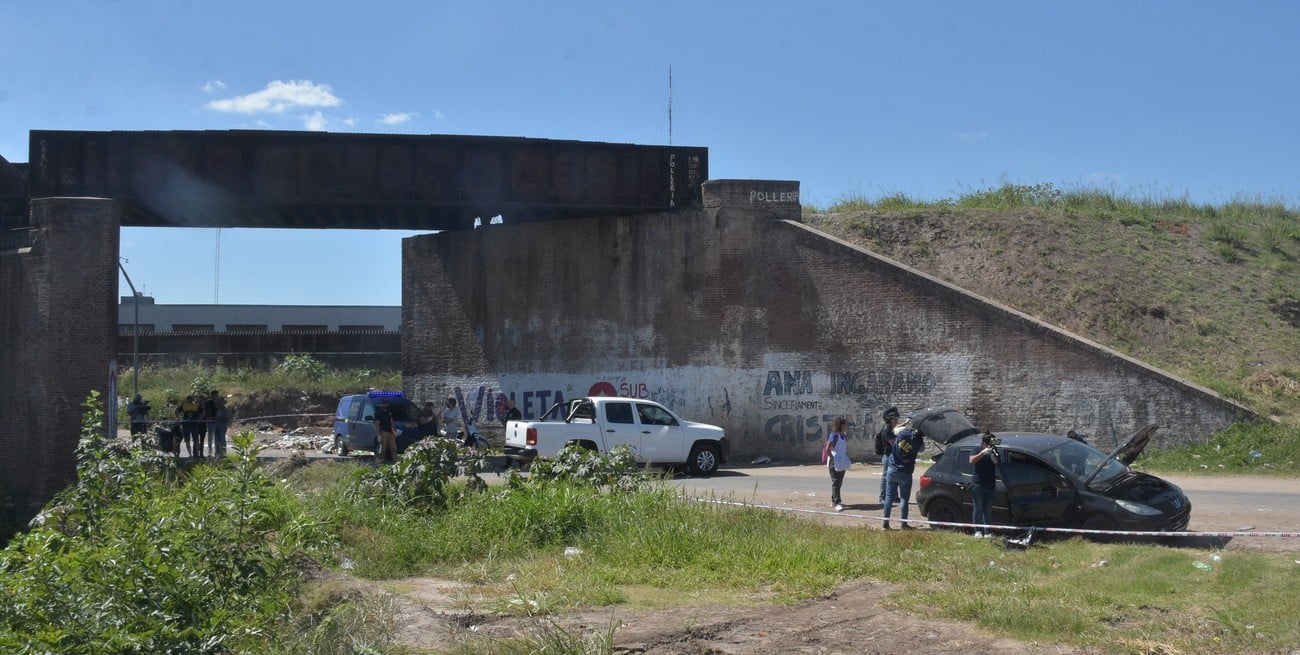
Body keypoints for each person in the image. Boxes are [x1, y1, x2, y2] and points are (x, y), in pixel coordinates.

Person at [882, 415, 925, 530]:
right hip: (906, 471)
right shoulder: (918, 440)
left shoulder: (903, 433)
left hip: (892, 469)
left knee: (889, 498)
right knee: (904, 499)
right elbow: (922, 449)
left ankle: (885, 524)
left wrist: (906, 423)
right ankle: (903, 525)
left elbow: (894, 430)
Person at [968, 432, 999, 538]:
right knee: (978, 508)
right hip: (978, 484)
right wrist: (983, 453)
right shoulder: (976, 449)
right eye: (989, 444)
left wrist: (993, 457)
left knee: (988, 510)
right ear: (984, 443)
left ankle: (988, 532)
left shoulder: (994, 451)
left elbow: (997, 465)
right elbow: (971, 460)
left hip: (990, 484)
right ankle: (978, 531)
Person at [822, 416, 851, 511]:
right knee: (836, 482)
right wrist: (832, 458)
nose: (846, 426)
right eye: (845, 425)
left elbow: (844, 448)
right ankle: (836, 502)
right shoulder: (834, 435)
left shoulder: (844, 436)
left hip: (842, 462)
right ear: (840, 425)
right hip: (834, 462)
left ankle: (833, 500)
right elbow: (827, 448)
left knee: (839, 482)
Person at [875, 407, 900, 503]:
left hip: (893, 457)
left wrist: (906, 424)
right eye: (895, 419)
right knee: (886, 477)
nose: (896, 421)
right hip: (888, 457)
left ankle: (894, 496)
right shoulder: (887, 430)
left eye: (897, 419)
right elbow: (893, 443)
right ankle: (882, 497)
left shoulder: (891, 429)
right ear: (890, 420)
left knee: (894, 477)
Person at [374, 399, 397, 464]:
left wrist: (395, 431)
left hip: (391, 432)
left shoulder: (389, 412)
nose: (386, 405)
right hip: (383, 432)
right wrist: (378, 435)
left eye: (387, 404)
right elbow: (377, 424)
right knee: (383, 447)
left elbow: (392, 421)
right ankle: (380, 461)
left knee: (393, 447)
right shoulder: (378, 413)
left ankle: (395, 461)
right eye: (385, 404)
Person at [202, 390, 221, 456]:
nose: (216, 397)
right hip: (211, 422)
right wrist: (206, 418)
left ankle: (217, 452)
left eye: (217, 395)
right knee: (210, 437)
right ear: (212, 396)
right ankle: (210, 451)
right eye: (215, 395)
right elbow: (205, 411)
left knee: (217, 437)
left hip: (218, 422)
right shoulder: (208, 403)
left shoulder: (220, 402)